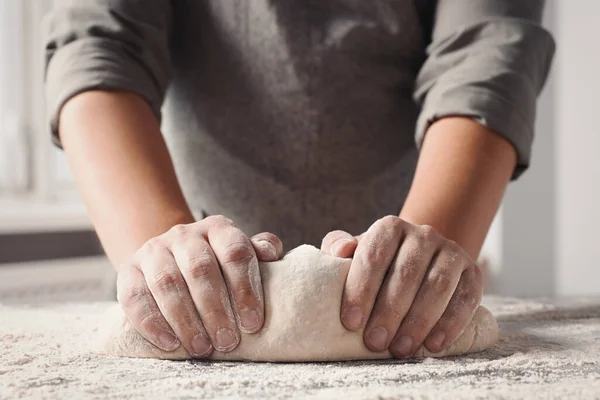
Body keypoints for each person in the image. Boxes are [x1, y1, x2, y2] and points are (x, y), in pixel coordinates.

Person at [43, 0, 554, 359]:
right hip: (192, 236)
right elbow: (97, 43)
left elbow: (488, 49)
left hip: (417, 230)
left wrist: (418, 267)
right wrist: (162, 255)